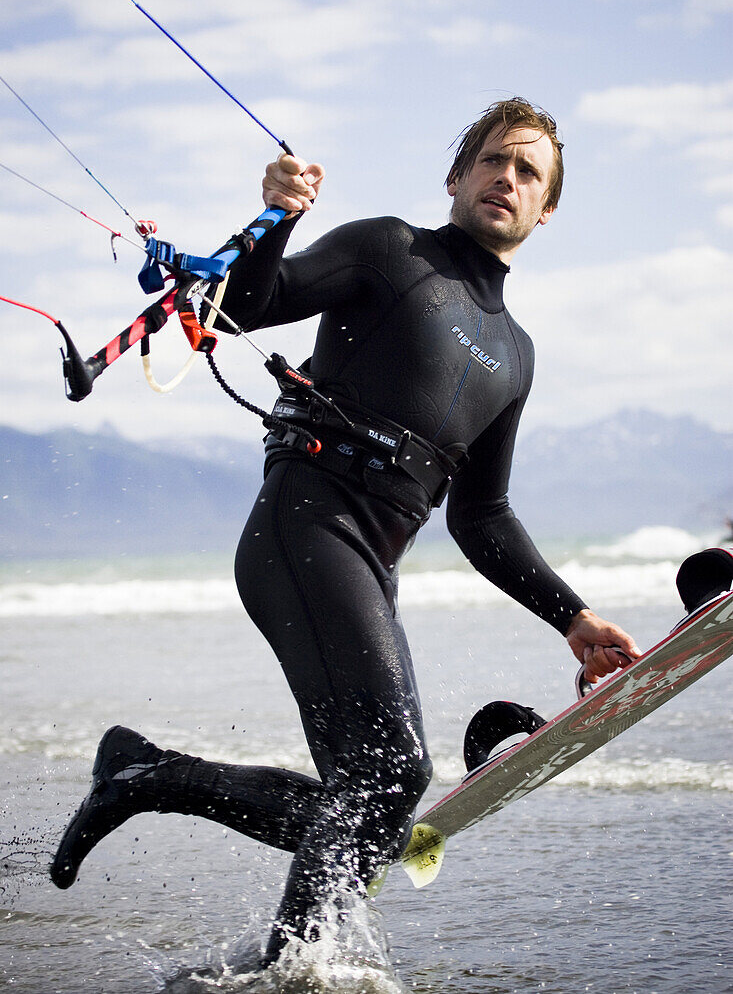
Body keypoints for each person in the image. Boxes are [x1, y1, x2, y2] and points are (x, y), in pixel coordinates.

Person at [50, 97, 641, 963]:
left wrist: (572, 617)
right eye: (492, 161)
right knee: (390, 776)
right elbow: (245, 307)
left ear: (546, 208)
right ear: (457, 175)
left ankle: (147, 776)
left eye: (527, 173)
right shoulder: (388, 249)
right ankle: (294, 968)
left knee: (372, 801)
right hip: (304, 525)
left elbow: (482, 516)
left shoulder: (514, 354)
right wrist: (276, 218)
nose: (505, 180)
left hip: (369, 560)